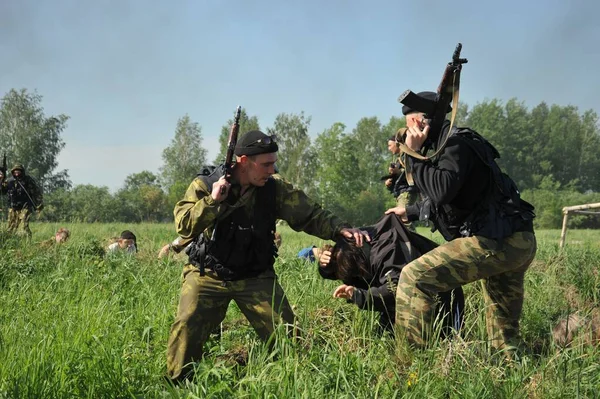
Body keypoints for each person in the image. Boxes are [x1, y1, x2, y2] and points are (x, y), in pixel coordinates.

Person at [165, 129, 367, 382]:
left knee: (288, 339)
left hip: (255, 275)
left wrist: (339, 228)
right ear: (243, 161)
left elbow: (310, 214)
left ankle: (293, 384)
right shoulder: (205, 185)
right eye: (266, 164)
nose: (272, 170)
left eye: (273, 163)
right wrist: (213, 201)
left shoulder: (274, 189)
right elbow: (184, 226)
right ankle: (177, 385)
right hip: (208, 273)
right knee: (187, 324)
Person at [386, 91, 537, 352]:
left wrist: (412, 153)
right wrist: (410, 212)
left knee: (413, 278)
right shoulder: (452, 145)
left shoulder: (454, 145)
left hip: (496, 241)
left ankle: (410, 364)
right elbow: (452, 199)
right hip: (516, 240)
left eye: (410, 122)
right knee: (503, 336)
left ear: (421, 122)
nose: (407, 130)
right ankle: (516, 372)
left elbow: (441, 190)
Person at [317, 213, 464, 333]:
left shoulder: (388, 250)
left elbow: (395, 289)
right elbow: (348, 271)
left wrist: (360, 296)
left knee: (426, 344)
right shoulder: (358, 244)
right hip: (405, 301)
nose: (355, 279)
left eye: (357, 274)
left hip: (441, 299)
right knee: (382, 337)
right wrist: (326, 266)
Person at [0, 164, 44, 238]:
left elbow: (36, 192)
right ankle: (11, 242)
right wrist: (1, 180)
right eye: (15, 171)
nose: (16, 173)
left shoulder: (28, 180)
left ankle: (27, 242)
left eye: (18, 171)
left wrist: (39, 204)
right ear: (12, 172)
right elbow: (2, 192)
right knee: (11, 228)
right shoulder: (9, 181)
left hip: (25, 207)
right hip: (13, 207)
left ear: (22, 171)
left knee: (23, 226)